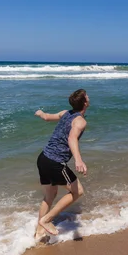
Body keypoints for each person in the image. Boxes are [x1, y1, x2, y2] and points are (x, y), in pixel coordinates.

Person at [34, 89, 89, 240]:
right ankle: (47, 219)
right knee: (77, 191)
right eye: (87, 96)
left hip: (43, 158)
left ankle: (39, 232)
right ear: (85, 102)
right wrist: (78, 159)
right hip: (55, 162)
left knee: (49, 196)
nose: (88, 98)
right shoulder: (80, 121)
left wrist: (39, 113)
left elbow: (46, 117)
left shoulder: (65, 113)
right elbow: (72, 138)